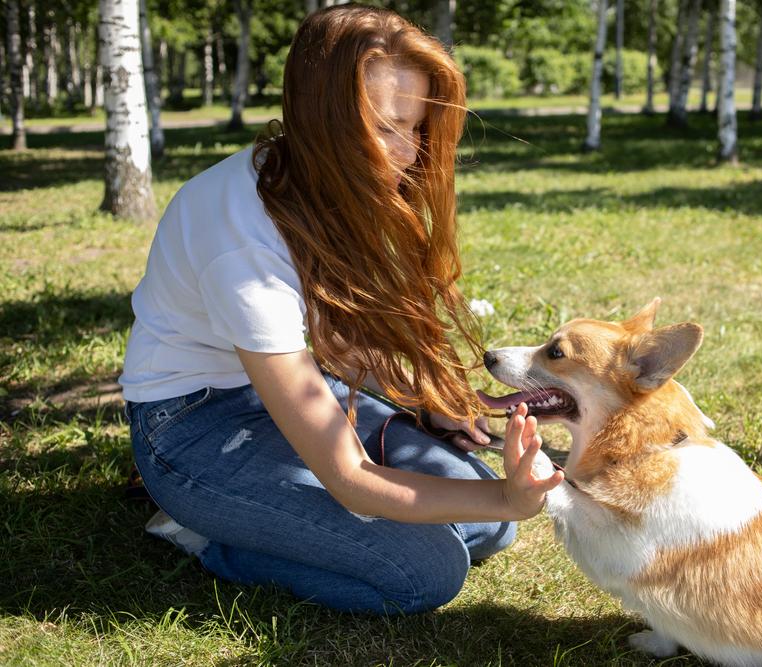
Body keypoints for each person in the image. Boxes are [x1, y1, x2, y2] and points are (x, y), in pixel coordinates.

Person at [119, 4, 562, 615]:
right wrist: (511, 499)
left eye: (415, 127)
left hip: (289, 392)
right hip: (195, 427)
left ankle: (276, 519)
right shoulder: (243, 240)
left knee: (486, 526)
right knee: (424, 572)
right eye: (383, 128)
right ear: (319, 119)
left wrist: (422, 400)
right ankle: (200, 529)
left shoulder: (321, 182)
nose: (407, 154)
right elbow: (348, 476)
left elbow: (328, 336)